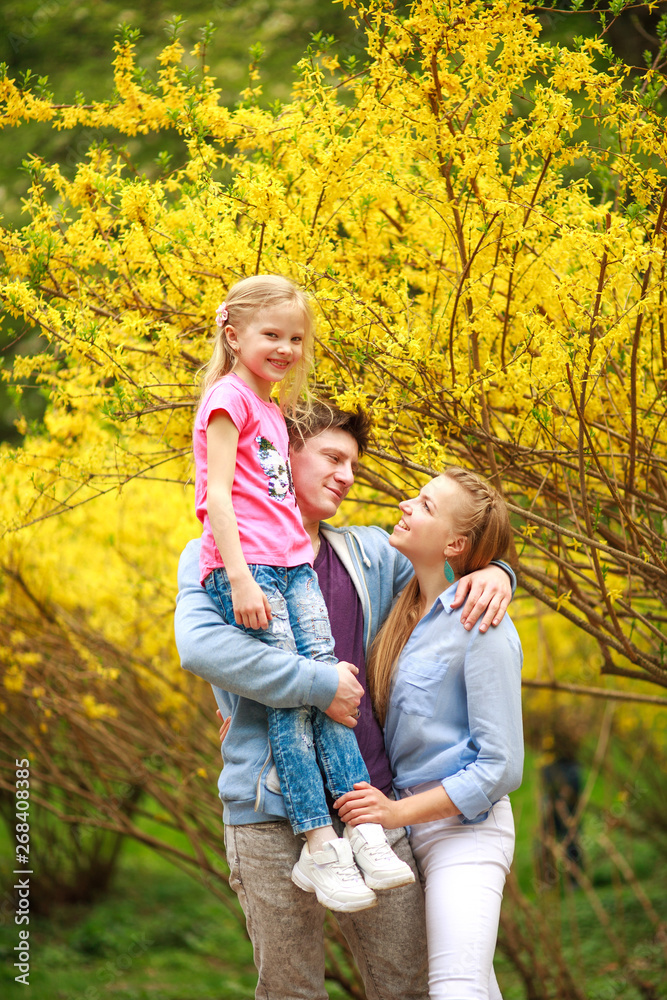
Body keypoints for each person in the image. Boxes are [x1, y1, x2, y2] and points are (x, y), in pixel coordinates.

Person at [175, 401, 516, 1000]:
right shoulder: (214, 557)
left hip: (372, 805)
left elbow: (451, 556)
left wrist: (500, 573)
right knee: (291, 991)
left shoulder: (368, 554)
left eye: (353, 463)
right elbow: (201, 648)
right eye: (332, 458)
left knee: (407, 986)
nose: (347, 475)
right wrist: (319, 686)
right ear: (279, 456)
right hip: (268, 811)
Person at [194, 273, 413, 913]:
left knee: (319, 677)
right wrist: (238, 577)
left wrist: (494, 571)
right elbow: (215, 502)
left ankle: (362, 834)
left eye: (296, 338)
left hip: (288, 566)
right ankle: (320, 845)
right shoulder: (228, 402)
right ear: (232, 335)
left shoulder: (274, 410)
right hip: (254, 572)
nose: (286, 348)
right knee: (301, 691)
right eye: (272, 335)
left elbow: (440, 565)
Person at [335, 468, 524, 1000]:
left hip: (465, 831)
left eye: (423, 504)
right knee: (472, 987)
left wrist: (394, 814)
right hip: (403, 835)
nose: (403, 505)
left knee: (452, 987)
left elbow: (502, 767)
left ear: (455, 543)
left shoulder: (482, 624)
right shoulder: (401, 602)